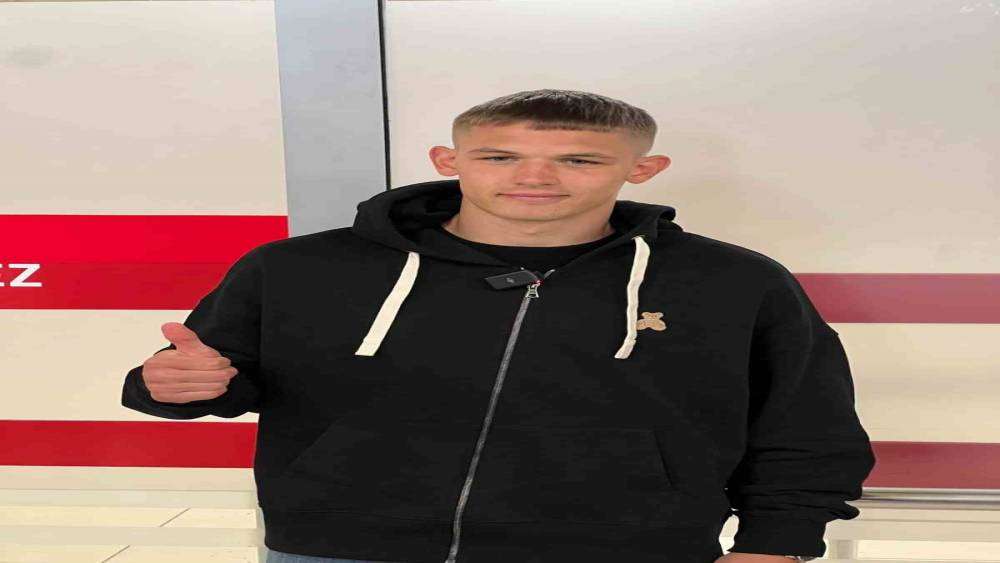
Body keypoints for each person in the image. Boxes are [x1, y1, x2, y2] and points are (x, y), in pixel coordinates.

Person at [121, 89, 875, 563]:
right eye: (499, 155)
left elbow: (807, 426)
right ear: (449, 159)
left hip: (624, 551)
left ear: (642, 170)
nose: (534, 177)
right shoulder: (300, 267)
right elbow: (208, 377)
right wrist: (171, 384)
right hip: (342, 548)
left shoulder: (733, 282)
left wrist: (776, 545)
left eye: (579, 159)